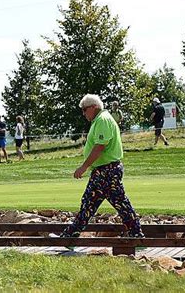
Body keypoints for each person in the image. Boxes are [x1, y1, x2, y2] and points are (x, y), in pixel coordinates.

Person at [60, 94, 144, 238]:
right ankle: (72, 233)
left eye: (85, 109)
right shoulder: (99, 120)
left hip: (107, 170)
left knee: (115, 202)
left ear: (94, 107)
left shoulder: (103, 120)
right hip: (104, 171)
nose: (83, 113)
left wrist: (84, 167)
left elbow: (99, 147)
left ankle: (136, 233)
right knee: (90, 203)